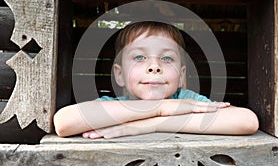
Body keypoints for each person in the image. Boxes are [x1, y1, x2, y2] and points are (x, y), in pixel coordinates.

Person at [54, 21, 259, 139]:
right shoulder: (114, 105)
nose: (154, 66)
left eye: (167, 58)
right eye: (139, 57)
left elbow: (246, 122)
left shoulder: (186, 100)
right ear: (120, 75)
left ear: (180, 76)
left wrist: (149, 125)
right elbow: (64, 123)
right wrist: (160, 108)